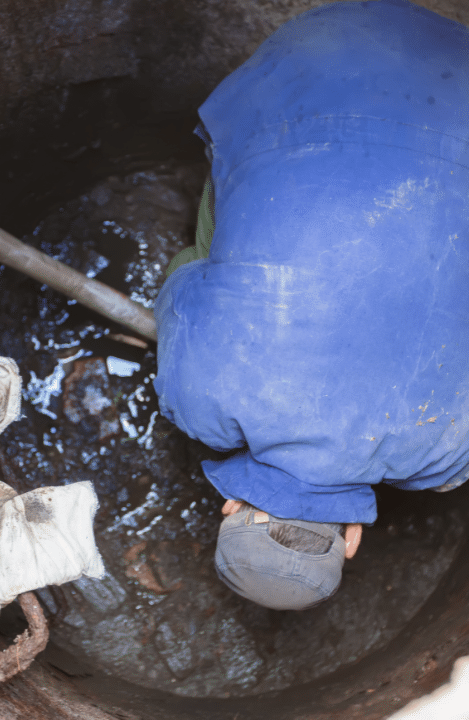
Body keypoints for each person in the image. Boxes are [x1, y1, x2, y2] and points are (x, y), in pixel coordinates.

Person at [153, 0, 469, 611]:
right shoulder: (196, 400)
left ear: (350, 541)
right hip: (320, 51)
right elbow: (181, 283)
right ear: (230, 507)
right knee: (202, 265)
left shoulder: (449, 455)